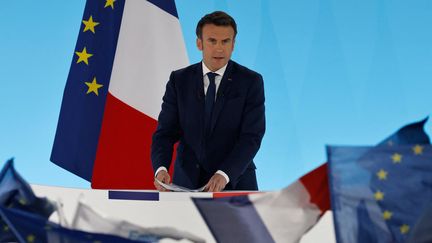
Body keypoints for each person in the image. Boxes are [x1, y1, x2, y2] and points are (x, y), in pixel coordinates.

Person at [151, 11, 265, 192]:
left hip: (235, 184)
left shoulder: (250, 81)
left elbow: (251, 137)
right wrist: (161, 168)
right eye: (212, 41)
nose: (219, 48)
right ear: (199, 43)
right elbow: (165, 133)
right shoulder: (179, 80)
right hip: (186, 185)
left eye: (225, 41)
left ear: (233, 44)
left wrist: (225, 174)